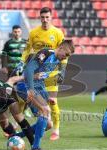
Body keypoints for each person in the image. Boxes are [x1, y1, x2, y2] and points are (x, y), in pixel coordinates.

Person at [17, 40, 75, 150]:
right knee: (45, 110)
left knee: (48, 124)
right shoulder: (46, 53)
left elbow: (40, 77)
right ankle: (35, 147)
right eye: (66, 54)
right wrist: (30, 89)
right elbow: (29, 69)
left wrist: (47, 97)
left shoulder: (57, 62)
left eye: (68, 56)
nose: (65, 58)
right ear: (61, 47)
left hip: (38, 86)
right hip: (26, 85)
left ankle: (16, 136)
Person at [22, 7, 65, 141]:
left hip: (51, 73)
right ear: (40, 18)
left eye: (47, 17)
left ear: (51, 17)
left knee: (53, 102)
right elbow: (27, 49)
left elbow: (64, 53)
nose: (45, 20)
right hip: (35, 73)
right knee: (29, 99)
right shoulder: (34, 33)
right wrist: (21, 61)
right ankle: (31, 125)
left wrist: (62, 70)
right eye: (42, 17)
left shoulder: (58, 33)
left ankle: (56, 129)